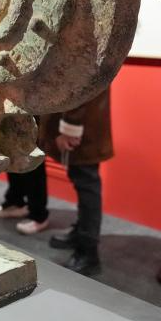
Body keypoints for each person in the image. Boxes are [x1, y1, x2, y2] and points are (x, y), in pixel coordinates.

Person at [40, 86, 114, 276]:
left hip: (82, 123)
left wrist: (70, 128)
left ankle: (88, 252)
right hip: (82, 120)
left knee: (86, 184)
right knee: (82, 181)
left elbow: (82, 84)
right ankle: (81, 233)